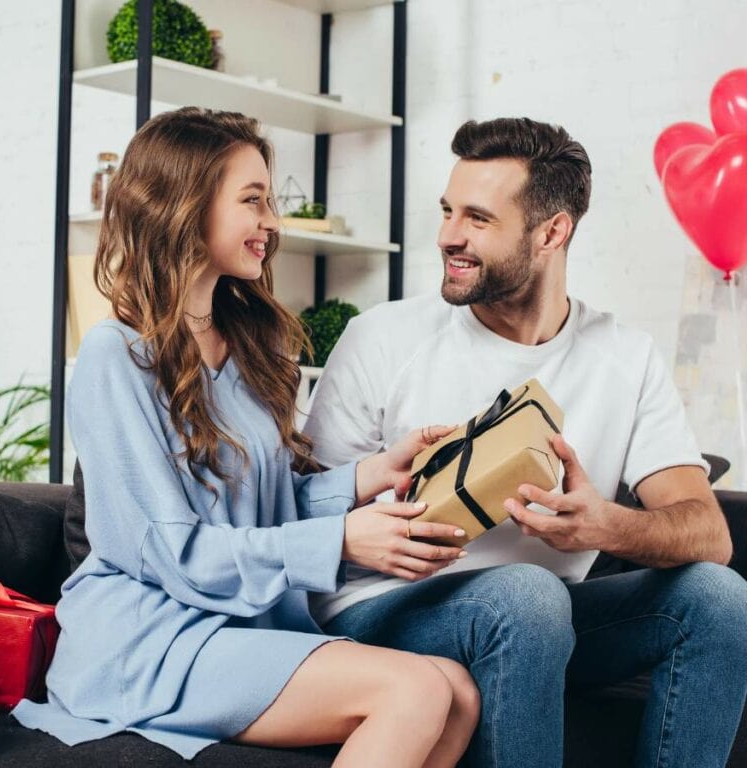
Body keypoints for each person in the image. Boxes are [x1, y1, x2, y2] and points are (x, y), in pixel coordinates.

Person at [12, 107, 480, 766]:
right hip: (147, 635)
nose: (271, 222)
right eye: (252, 200)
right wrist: (345, 538)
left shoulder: (252, 351)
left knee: (457, 691)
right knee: (416, 691)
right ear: (186, 204)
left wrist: (371, 476)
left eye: (269, 201)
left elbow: (263, 505)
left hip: (233, 624)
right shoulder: (115, 357)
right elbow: (174, 550)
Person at [303, 116, 747, 768]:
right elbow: (296, 507)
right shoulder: (383, 338)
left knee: (718, 600)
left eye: (478, 219)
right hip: (379, 617)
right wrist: (382, 516)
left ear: (551, 233)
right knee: (527, 598)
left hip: (544, 621)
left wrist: (603, 527)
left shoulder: (624, 356)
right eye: (448, 210)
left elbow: (710, 535)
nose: (447, 236)